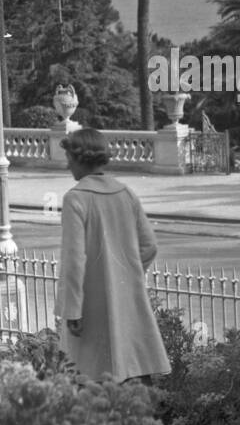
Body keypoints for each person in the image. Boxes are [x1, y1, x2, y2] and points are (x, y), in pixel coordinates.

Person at [56, 128, 171, 384]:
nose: (67, 165)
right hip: (125, 297)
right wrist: (125, 275)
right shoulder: (126, 193)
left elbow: (74, 260)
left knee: (88, 375)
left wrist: (72, 309)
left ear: (79, 159)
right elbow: (149, 246)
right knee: (130, 367)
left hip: (88, 306)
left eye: (69, 159)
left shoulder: (75, 199)